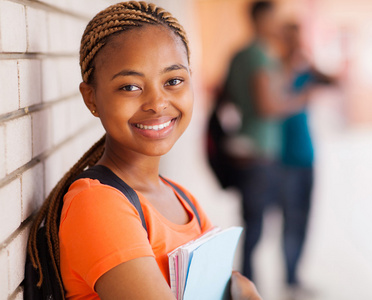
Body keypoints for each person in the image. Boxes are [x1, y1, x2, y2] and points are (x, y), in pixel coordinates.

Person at [26, 2, 262, 299]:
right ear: (91, 98)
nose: (157, 102)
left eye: (173, 81)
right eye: (130, 87)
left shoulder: (183, 200)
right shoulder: (97, 204)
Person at [222, 0, 309, 282]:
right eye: (272, 19)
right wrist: (298, 101)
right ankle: (246, 284)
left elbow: (230, 98)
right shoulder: (260, 55)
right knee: (258, 226)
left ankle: (245, 281)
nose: (276, 26)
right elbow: (266, 105)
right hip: (261, 151)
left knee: (252, 223)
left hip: (244, 147)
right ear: (260, 20)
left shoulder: (238, 55)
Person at [278, 21, 335, 293]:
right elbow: (276, 103)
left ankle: (295, 274)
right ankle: (289, 276)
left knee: (304, 218)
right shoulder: (276, 71)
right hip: (283, 158)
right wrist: (290, 71)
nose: (295, 45)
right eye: (290, 39)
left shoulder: (306, 70)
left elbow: (333, 81)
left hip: (307, 155)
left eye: (298, 39)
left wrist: (309, 64)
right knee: (290, 219)